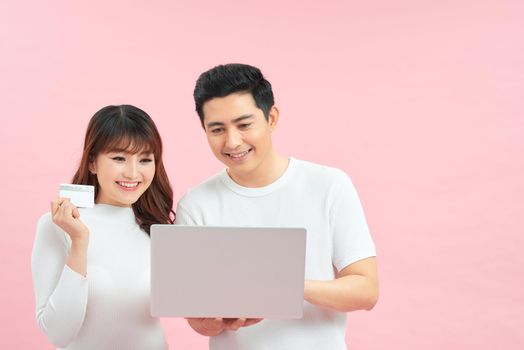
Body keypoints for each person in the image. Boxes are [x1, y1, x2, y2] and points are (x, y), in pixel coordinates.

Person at [175, 63, 379, 350]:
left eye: (244, 125)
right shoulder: (196, 205)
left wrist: (283, 286)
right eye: (217, 129)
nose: (232, 141)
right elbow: (197, 321)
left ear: (271, 118)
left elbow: (366, 290)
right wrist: (222, 320)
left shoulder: (329, 185)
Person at [31, 105, 174, 349]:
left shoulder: (158, 227)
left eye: (145, 159)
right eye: (119, 158)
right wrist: (79, 242)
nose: (132, 173)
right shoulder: (57, 226)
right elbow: (58, 334)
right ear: (92, 163)